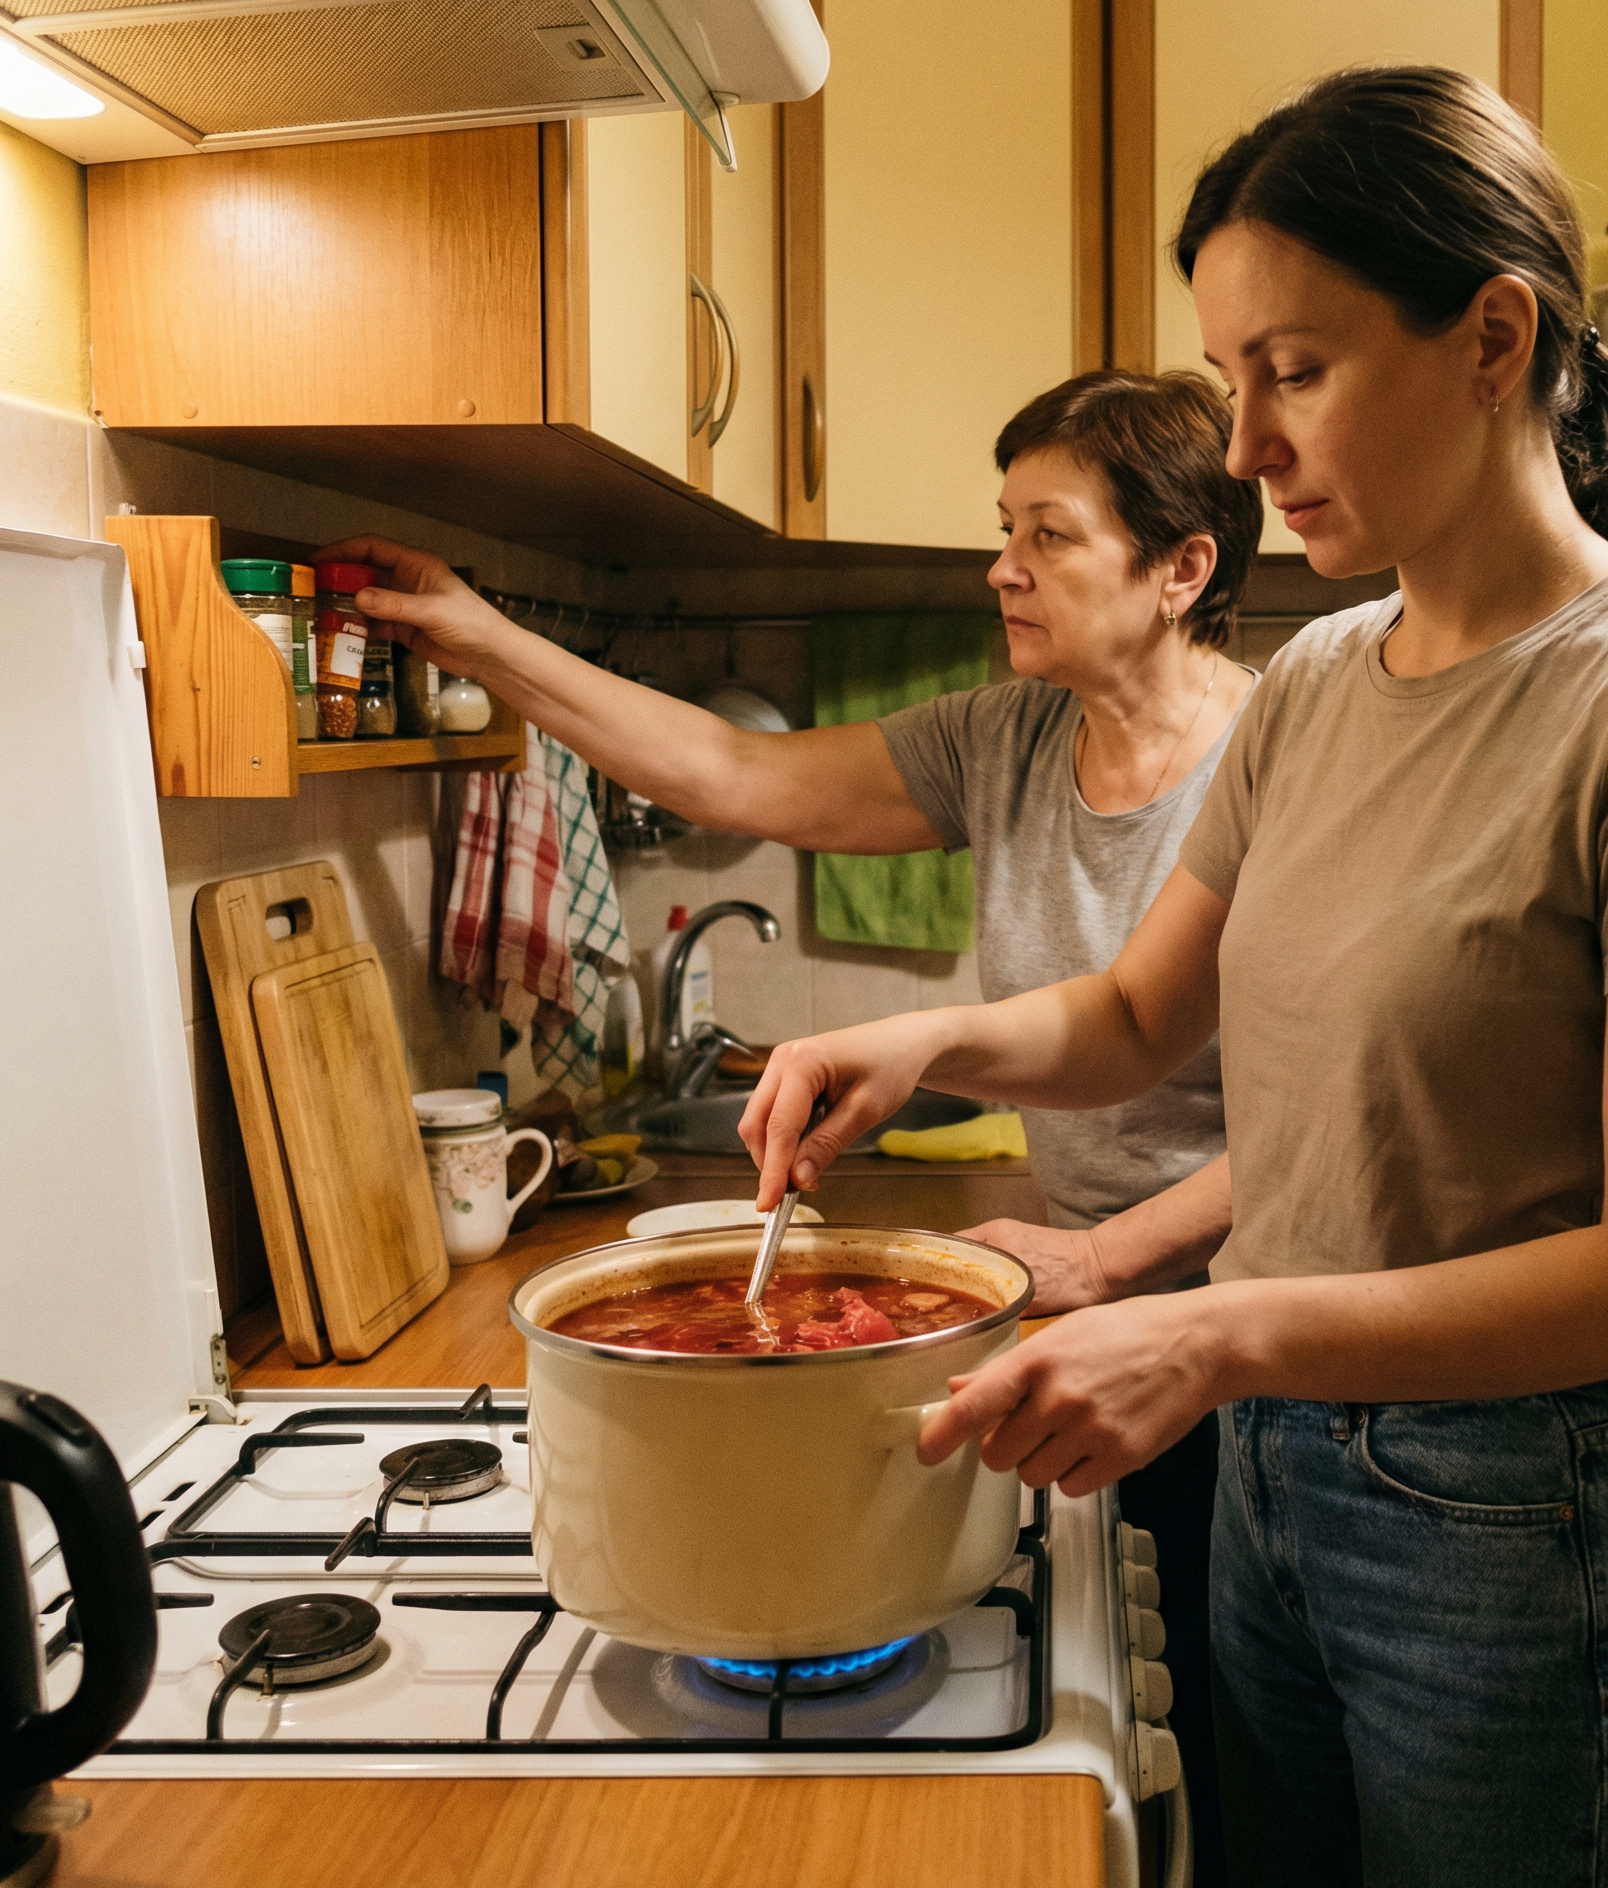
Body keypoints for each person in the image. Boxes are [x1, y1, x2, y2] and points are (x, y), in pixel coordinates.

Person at [738, 65, 1608, 1886]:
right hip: (1276, 1494)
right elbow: (1137, 1018)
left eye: (1291, 372)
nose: (1242, 449)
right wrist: (914, 1041)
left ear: (1493, 336)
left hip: (1510, 1548)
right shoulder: (1318, 682)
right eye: (1232, 377)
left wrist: (1211, 1326)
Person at [319, 366, 1262, 1886]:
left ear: (1182, 569)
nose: (1000, 567)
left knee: (1237, 1759)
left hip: (1244, 1335)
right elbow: (734, 770)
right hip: (1075, 1308)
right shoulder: (1010, 735)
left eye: (1049, 534)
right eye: (1000, 528)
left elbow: (1345, 1114)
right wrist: (478, 633)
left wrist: (1118, 1258)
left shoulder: (1276, 758)